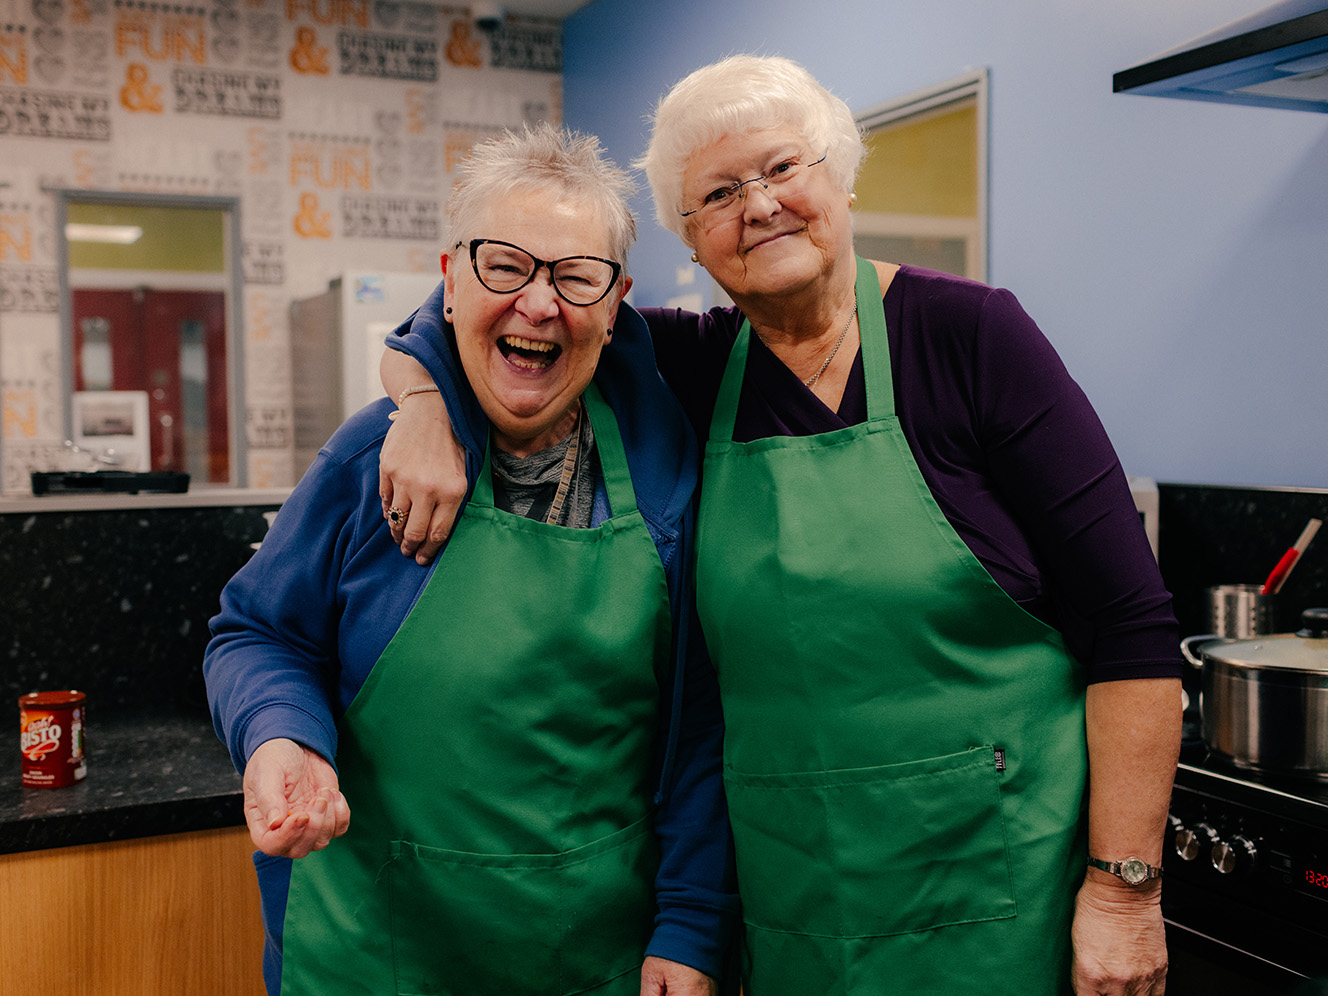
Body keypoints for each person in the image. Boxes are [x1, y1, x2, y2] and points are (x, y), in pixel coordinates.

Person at [378, 56, 1183, 996]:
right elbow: (492, 301)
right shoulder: (686, 364)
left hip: (1002, 893)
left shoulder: (972, 338)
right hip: (794, 908)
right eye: (717, 194)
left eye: (781, 169)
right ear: (691, 238)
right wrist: (422, 408)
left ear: (838, 173)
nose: (757, 207)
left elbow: (1132, 631)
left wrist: (1125, 892)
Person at [205, 123, 736, 996]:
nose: (538, 303)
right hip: (375, 951)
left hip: (588, 952)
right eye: (506, 265)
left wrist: (690, 925)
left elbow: (699, 726)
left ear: (615, 305)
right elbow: (257, 633)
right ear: (450, 283)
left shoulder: (667, 473)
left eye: (574, 276)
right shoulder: (367, 459)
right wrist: (279, 736)